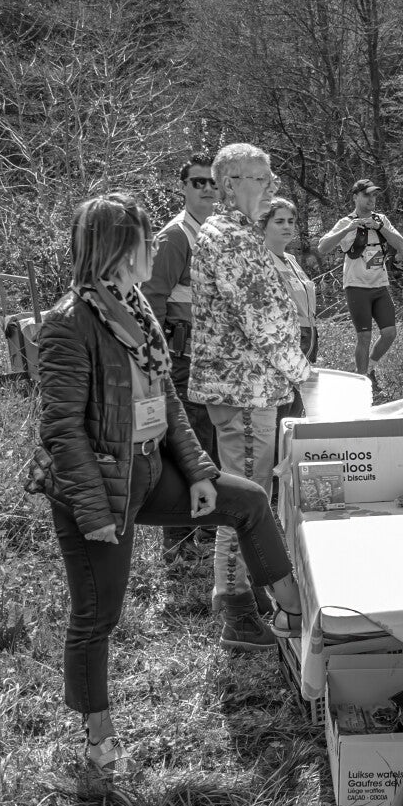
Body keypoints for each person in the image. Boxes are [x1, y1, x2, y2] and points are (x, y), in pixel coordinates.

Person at [35, 193, 310, 774]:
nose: (156, 248)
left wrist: (200, 472)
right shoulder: (67, 323)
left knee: (247, 500)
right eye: (146, 240)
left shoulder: (135, 308)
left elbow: (167, 405)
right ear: (117, 249)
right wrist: (95, 514)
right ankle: (97, 741)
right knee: (97, 616)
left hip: (151, 471)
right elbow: (62, 431)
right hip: (102, 490)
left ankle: (295, 616)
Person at [191, 144, 319, 645]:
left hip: (249, 386)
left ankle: (247, 592)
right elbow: (263, 320)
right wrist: (304, 374)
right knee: (244, 502)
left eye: (270, 178)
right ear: (230, 184)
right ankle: (237, 612)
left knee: (251, 499)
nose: (269, 186)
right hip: (243, 389)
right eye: (260, 179)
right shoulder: (229, 238)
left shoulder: (239, 234)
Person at [145, 151, 222, 564]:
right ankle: (176, 545)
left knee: (209, 446)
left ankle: (205, 531)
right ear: (183, 187)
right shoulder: (176, 236)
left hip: (210, 361)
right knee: (185, 450)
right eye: (198, 182)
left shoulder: (212, 233)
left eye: (213, 182)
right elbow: (151, 302)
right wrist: (157, 362)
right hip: (181, 361)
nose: (207, 188)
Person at [317, 179, 403, 392]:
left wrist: (380, 227)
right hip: (356, 286)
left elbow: (401, 245)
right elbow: (322, 247)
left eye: (374, 195)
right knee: (364, 336)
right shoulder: (345, 222)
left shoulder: (381, 219)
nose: (371, 199)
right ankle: (362, 382)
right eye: (367, 195)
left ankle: (370, 368)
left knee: (390, 333)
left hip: (380, 285)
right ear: (355, 197)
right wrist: (347, 229)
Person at [258, 195, 318, 422]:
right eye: (279, 221)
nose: (287, 226)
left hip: (307, 340)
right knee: (282, 412)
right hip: (284, 343)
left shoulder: (291, 259)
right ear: (263, 225)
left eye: (291, 221)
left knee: (297, 411)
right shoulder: (260, 260)